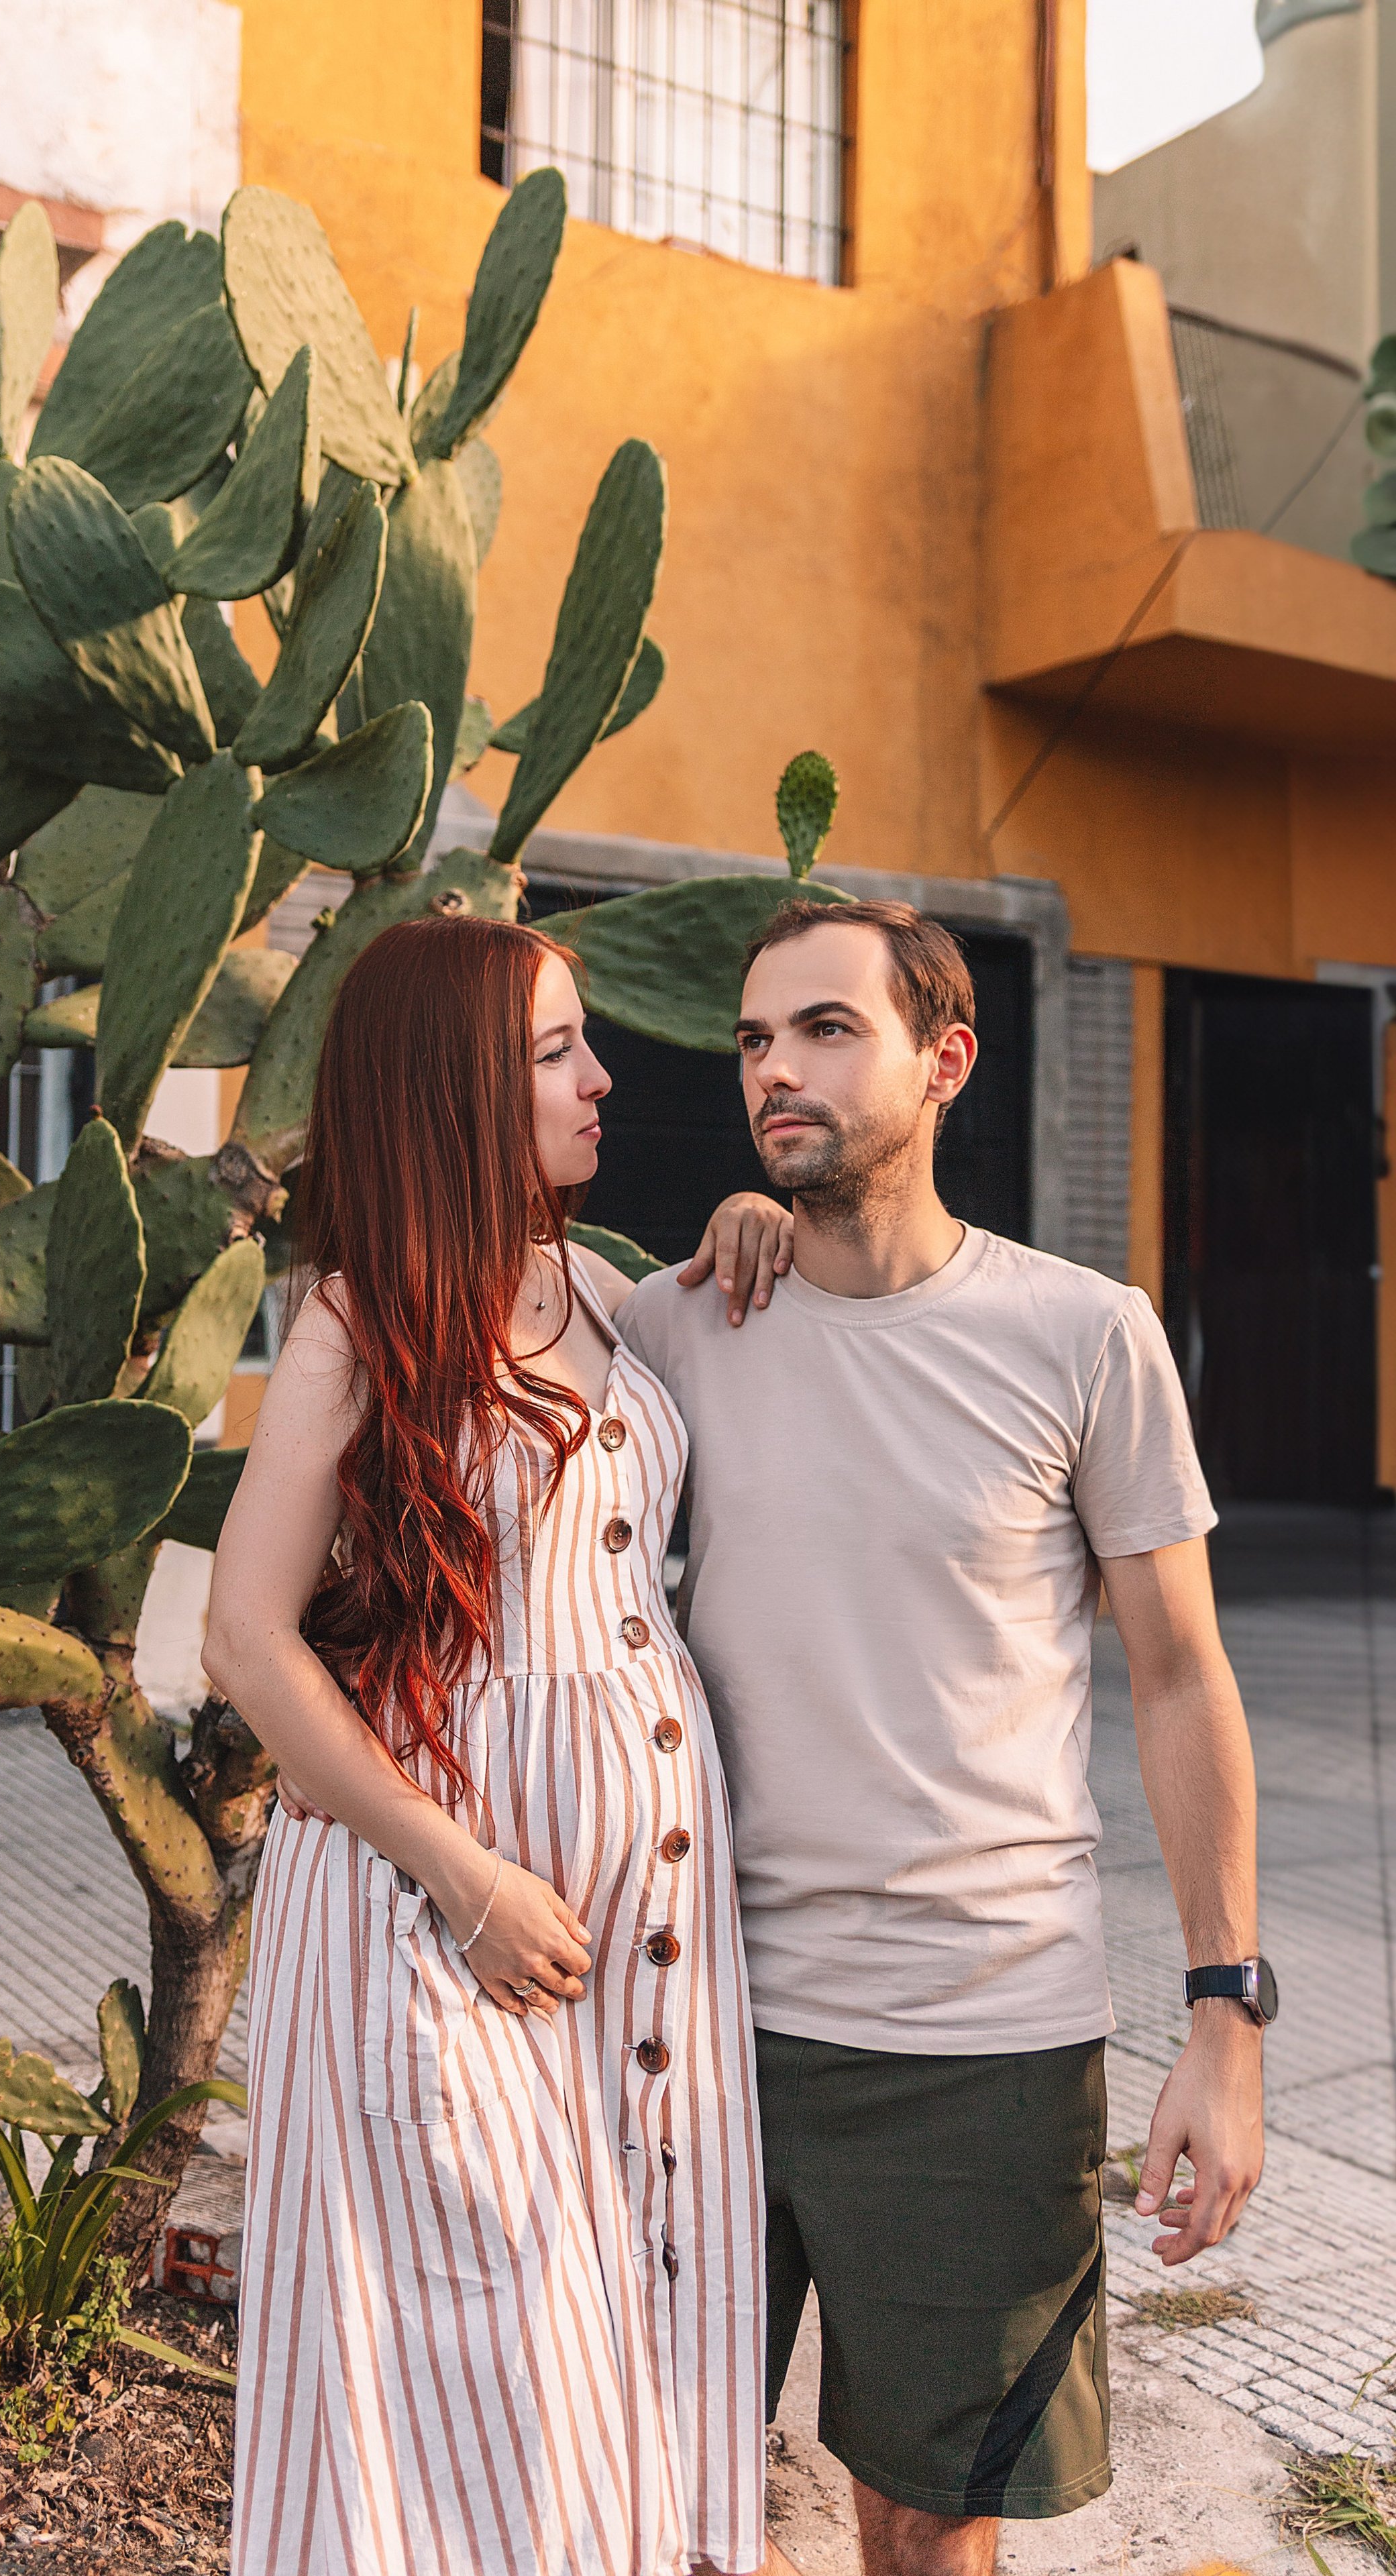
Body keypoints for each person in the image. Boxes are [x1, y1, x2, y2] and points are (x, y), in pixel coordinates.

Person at [621, 897, 1267, 2576]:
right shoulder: (678, 1327)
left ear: (945, 1060)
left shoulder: (1080, 1333)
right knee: (643, 2493)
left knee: (924, 2527)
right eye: (755, 1037)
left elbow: (1181, 1675)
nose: (775, 1067)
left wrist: (1222, 2017)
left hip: (982, 2039)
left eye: (826, 1029)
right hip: (699, 2026)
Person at [204, 914, 786, 2576]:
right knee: (480, 2376)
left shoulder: (595, 1284)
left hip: (634, 1951)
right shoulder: (354, 1321)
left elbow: (746, 1342)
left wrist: (751, 1222)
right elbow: (244, 1635)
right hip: (439, 1934)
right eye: (552, 1053)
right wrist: (462, 1879)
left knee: (616, 2347)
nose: (602, 1078)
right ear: (452, 1090)